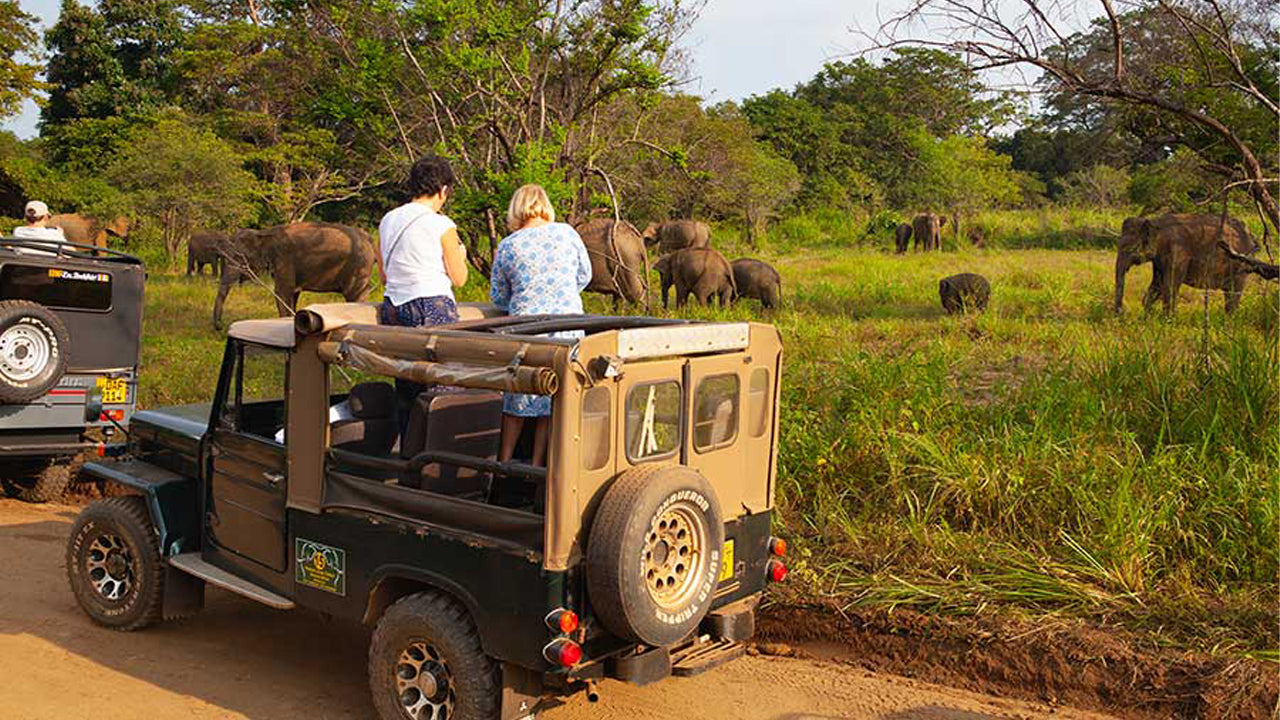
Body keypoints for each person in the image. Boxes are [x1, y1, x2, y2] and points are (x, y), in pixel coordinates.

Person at [490, 184, 592, 467]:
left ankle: (503, 465)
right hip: (568, 327)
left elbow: (498, 296)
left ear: (515, 210)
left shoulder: (509, 245)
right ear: (545, 206)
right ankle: (537, 466)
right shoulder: (567, 233)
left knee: (518, 395)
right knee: (552, 395)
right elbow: (585, 275)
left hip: (527, 330)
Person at [377, 155, 469, 429]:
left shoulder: (388, 220)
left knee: (407, 387)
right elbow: (459, 278)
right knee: (444, 386)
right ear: (443, 190)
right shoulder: (441, 224)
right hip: (431, 305)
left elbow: (384, 275)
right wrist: (461, 255)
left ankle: (410, 448)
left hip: (393, 307)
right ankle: (441, 449)